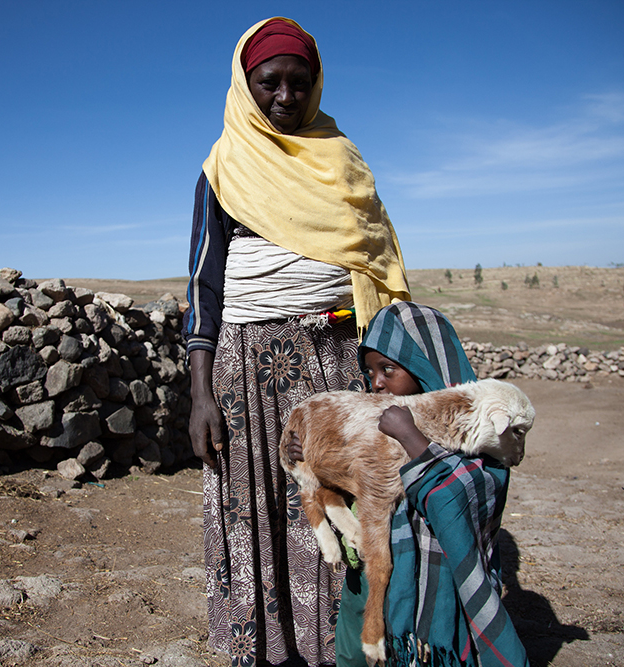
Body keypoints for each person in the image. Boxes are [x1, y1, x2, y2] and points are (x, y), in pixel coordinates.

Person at [183, 17, 410, 667]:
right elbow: (204, 288)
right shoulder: (223, 172)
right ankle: (270, 652)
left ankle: (348, 646)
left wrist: (386, 367)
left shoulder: (342, 161)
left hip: (340, 363)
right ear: (244, 83)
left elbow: (378, 265)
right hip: (247, 372)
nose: (284, 95)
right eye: (268, 82)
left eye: (298, 82)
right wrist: (200, 396)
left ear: (315, 85)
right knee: (258, 512)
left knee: (347, 509)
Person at [293, 301, 529, 667]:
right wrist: (306, 451)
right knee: (353, 654)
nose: (376, 382)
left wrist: (412, 440)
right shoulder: (377, 425)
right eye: (369, 371)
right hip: (370, 579)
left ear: (426, 366)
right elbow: (346, 473)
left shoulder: (477, 437)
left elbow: (463, 495)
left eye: (388, 369)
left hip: (432, 596)